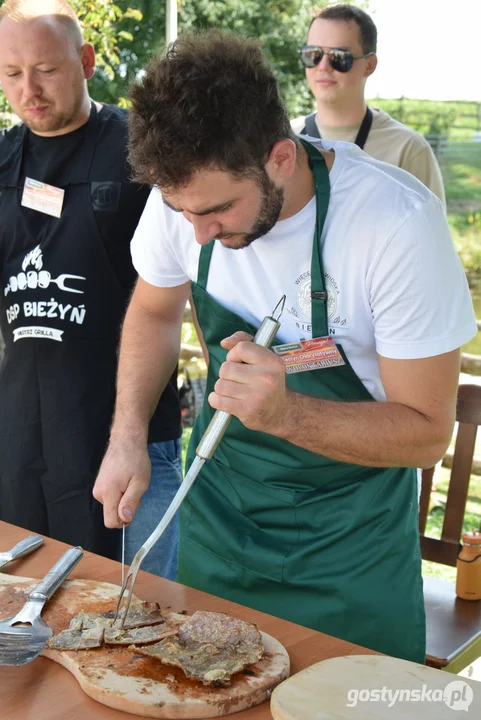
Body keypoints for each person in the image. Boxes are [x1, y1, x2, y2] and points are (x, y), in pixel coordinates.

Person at [93, 29, 477, 663]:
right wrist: (128, 433)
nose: (200, 233)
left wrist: (287, 413)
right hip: (221, 520)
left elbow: (427, 433)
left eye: (217, 211)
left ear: (280, 157)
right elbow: (155, 312)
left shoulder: (396, 224)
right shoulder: (187, 199)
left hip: (350, 549)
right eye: (182, 213)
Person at [0, 0, 182, 577]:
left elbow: (187, 294)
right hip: (20, 439)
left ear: (86, 59)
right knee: (20, 611)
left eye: (47, 69)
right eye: (11, 74)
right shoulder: (2, 161)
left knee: (128, 622)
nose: (29, 88)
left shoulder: (143, 154)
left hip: (125, 440)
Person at [291, 4, 446, 205]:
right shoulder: (285, 139)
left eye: (340, 57)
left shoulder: (407, 150)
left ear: (369, 65)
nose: (323, 66)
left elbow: (432, 234)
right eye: (313, 54)